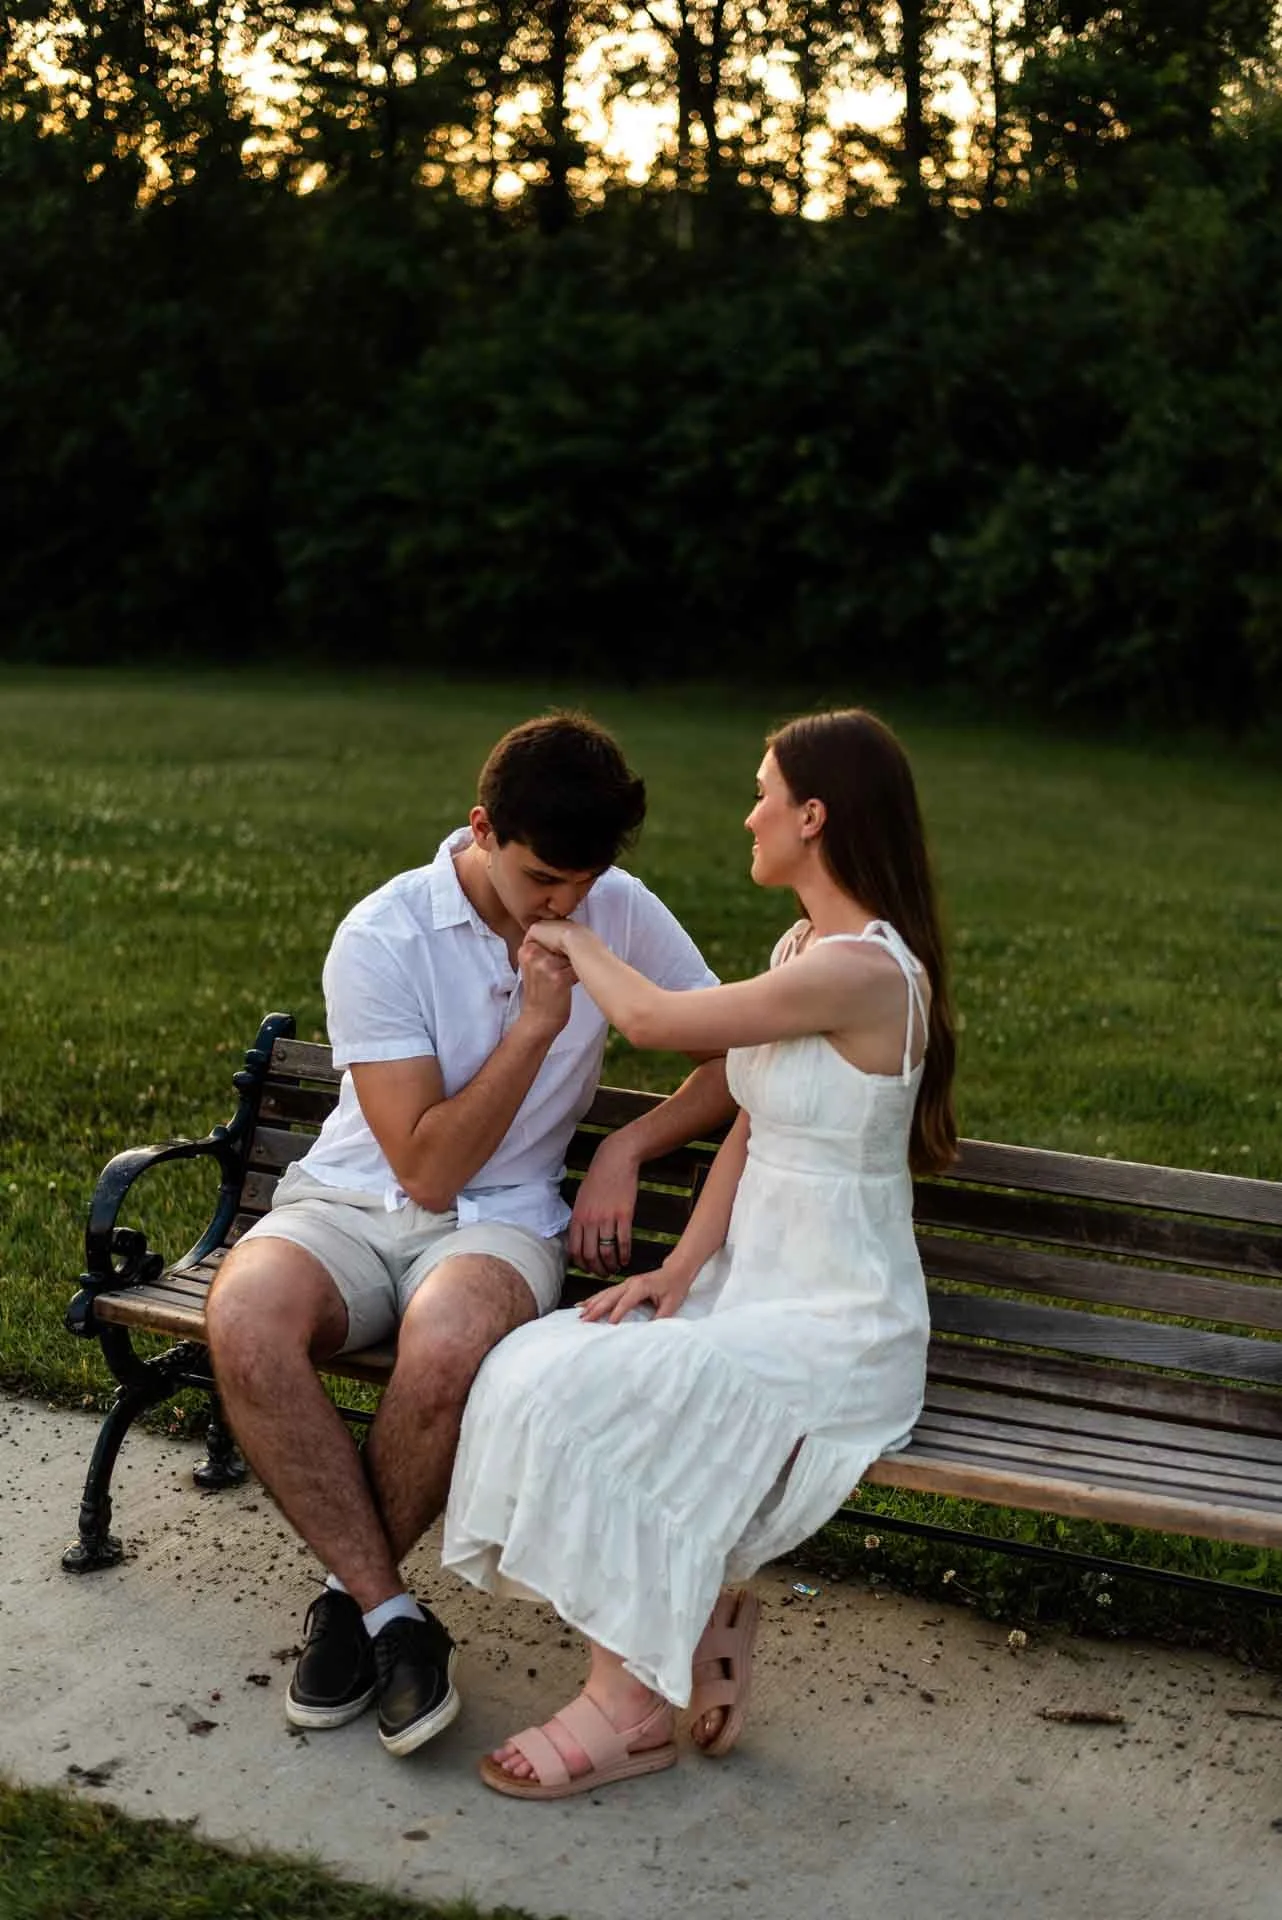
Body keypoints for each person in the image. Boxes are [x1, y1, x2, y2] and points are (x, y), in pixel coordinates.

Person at [440, 707, 957, 1799]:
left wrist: (572, 935)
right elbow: (754, 1125)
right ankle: (694, 1617)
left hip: (839, 1317)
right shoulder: (801, 950)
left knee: (619, 1398)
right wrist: (680, 1271)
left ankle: (628, 1710)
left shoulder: (867, 973)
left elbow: (658, 1023)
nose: (748, 816)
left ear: (812, 817)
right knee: (540, 1362)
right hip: (747, 1287)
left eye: (763, 795)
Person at [204, 713, 733, 1759]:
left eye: (585, 881)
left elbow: (733, 1056)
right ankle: (391, 1614)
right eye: (543, 879)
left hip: (505, 1222)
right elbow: (425, 1169)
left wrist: (627, 1146)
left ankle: (349, 1608)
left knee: (447, 1342)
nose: (565, 904)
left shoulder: (617, 909)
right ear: (482, 829)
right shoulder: (385, 934)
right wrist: (536, 1026)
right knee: (246, 1317)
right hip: (351, 1201)